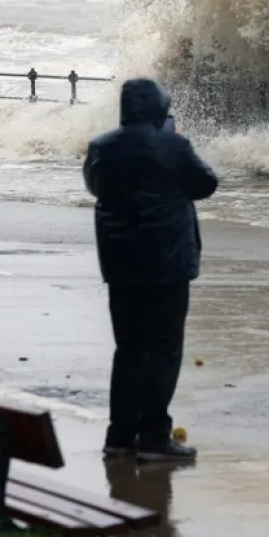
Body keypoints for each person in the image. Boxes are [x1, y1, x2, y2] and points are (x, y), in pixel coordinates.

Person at [83, 78, 219, 462]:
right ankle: (155, 437)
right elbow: (206, 183)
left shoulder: (101, 147)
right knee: (163, 350)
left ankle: (120, 438)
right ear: (159, 107)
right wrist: (171, 141)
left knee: (128, 350)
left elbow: (96, 187)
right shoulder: (173, 144)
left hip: (121, 264)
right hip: (166, 264)